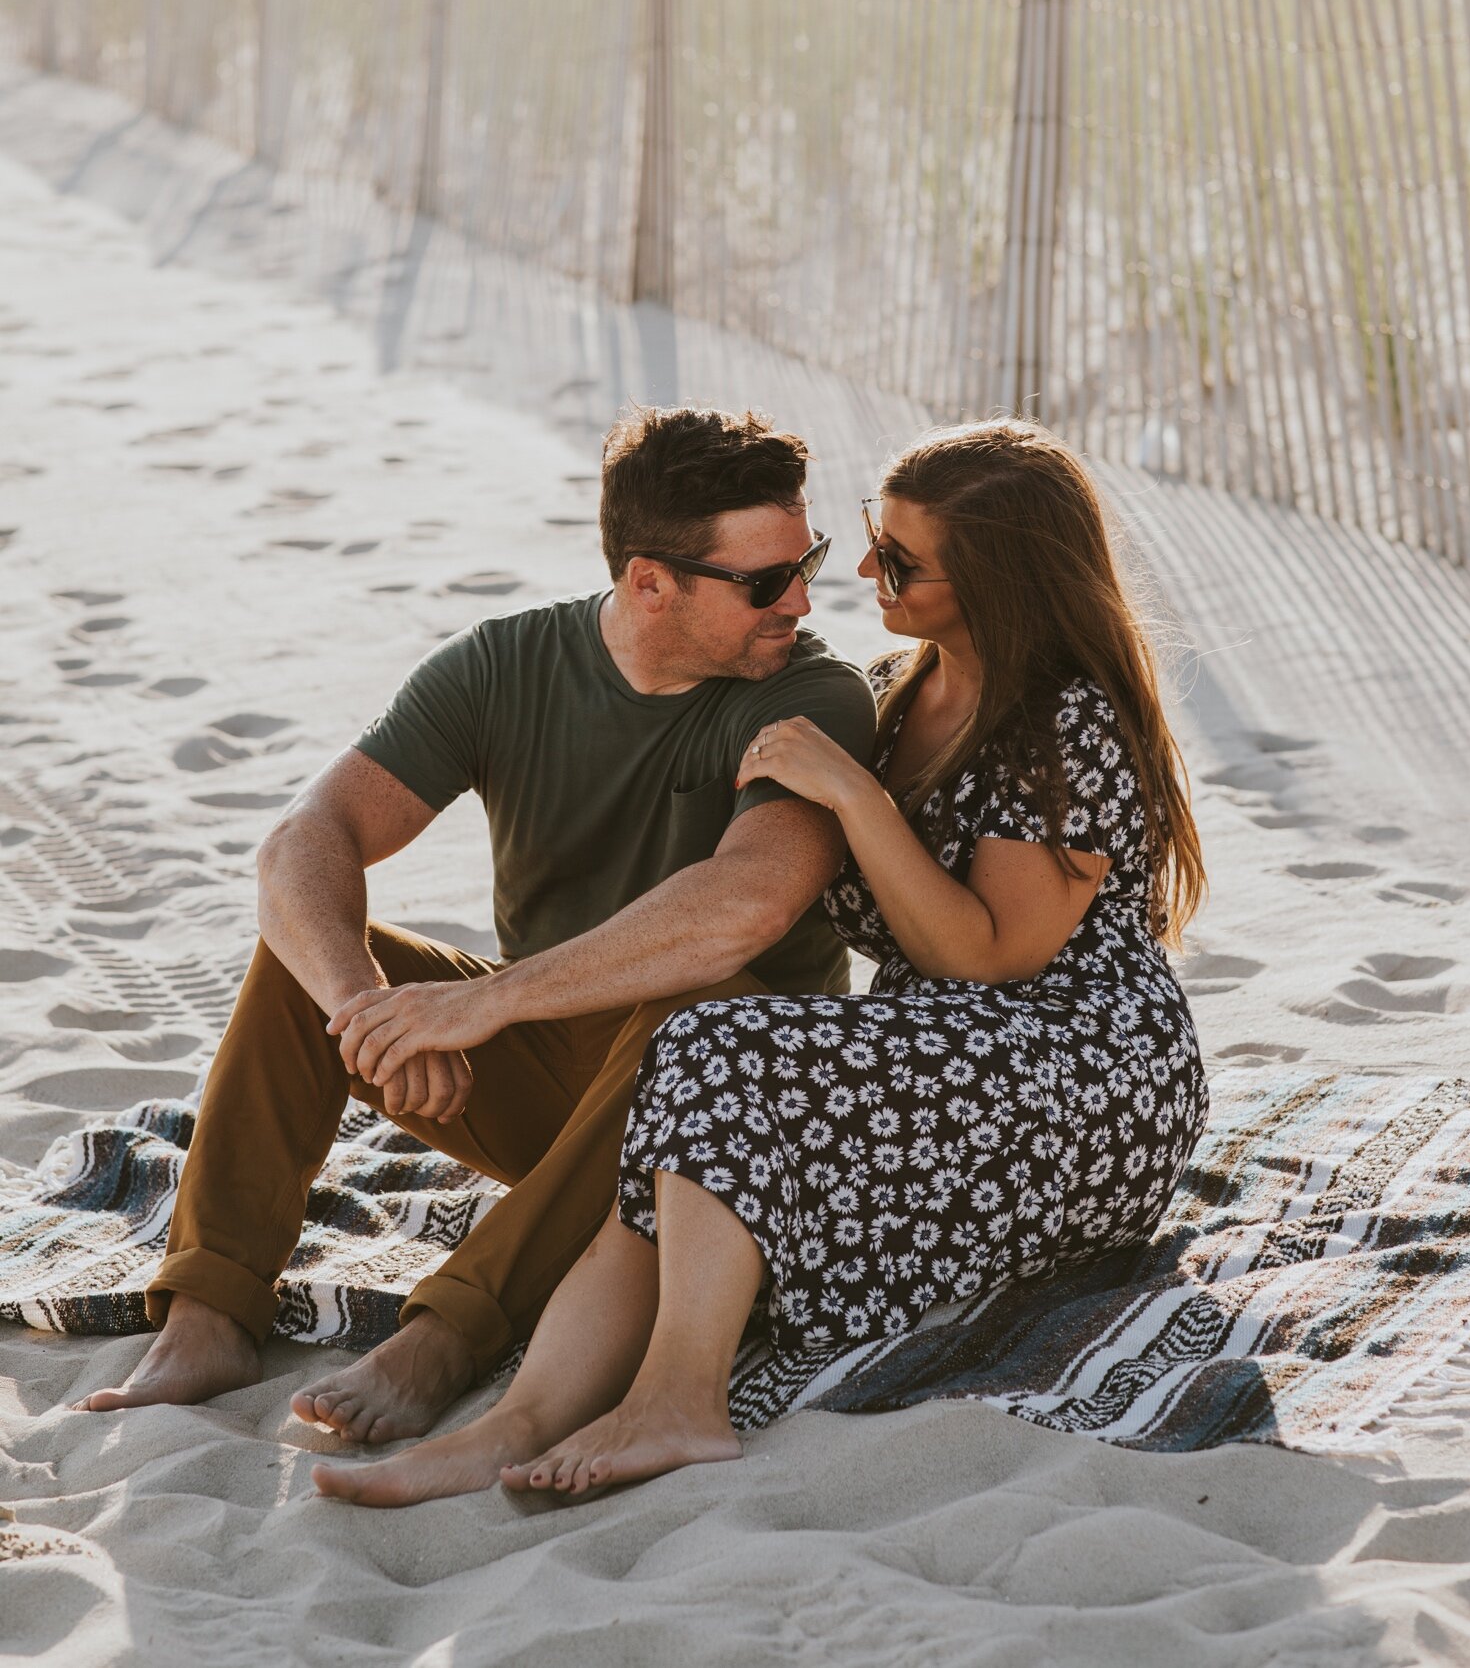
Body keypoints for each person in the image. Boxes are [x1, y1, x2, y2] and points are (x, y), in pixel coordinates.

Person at [310, 417, 1208, 1509]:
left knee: (717, 1042)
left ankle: (678, 1399)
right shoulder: (889, 690)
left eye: (903, 560)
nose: (866, 570)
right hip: (938, 1059)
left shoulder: (1067, 721)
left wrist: (856, 796)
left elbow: (985, 961)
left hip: (1081, 1073)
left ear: (1000, 580)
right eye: (872, 541)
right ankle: (515, 1420)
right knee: (695, 1082)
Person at [77, 406, 876, 1441]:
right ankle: (210, 1311)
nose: (803, 600)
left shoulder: (814, 694)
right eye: (767, 581)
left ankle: (448, 1334)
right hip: (558, 1087)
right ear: (649, 582)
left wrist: (482, 1003)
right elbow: (303, 841)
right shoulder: (506, 666)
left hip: (730, 1133)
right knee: (308, 951)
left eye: (803, 561)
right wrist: (367, 1011)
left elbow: (744, 908)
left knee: (705, 1007)